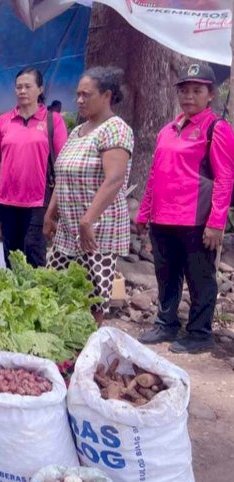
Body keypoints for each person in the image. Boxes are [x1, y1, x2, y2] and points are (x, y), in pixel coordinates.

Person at [136, 63, 234, 353]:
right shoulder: (167, 130)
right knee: (166, 274)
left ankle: (199, 332)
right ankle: (166, 324)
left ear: (210, 94)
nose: (189, 96)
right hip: (163, 219)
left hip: (195, 219)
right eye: (184, 90)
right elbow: (155, 174)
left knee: (200, 277)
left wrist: (216, 222)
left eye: (197, 90)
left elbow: (225, 177)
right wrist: (144, 213)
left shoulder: (217, 128)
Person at [43, 66, 134, 325]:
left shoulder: (115, 129)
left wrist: (88, 220)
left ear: (106, 95)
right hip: (69, 230)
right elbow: (64, 175)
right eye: (78, 94)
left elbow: (114, 178)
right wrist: (50, 213)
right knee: (56, 290)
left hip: (98, 231)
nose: (80, 100)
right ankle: (63, 348)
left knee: (92, 297)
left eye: (87, 94)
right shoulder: (77, 131)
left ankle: (86, 351)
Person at [0, 68, 68, 268]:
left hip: (39, 200)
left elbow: (63, 163)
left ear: (40, 89)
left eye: (28, 86)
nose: (22, 91)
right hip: (7, 199)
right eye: (18, 87)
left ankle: (36, 297)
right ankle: (14, 297)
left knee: (34, 251)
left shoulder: (53, 121)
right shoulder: (4, 121)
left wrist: (56, 205)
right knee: (12, 255)